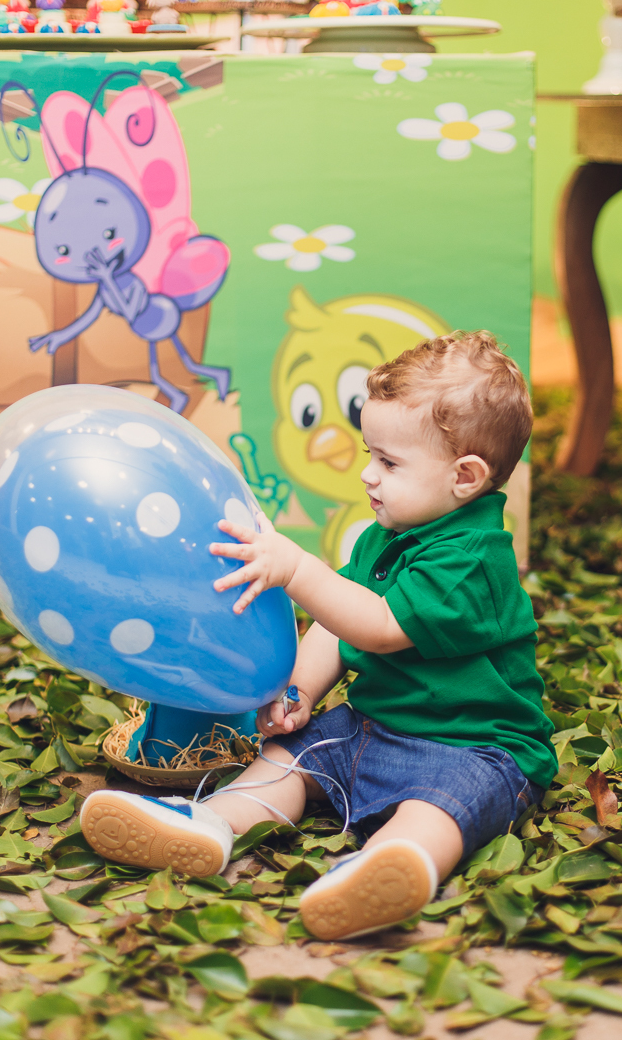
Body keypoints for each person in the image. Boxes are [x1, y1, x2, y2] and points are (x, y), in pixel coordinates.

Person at [81, 332, 557, 941]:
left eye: (389, 463)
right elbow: (336, 623)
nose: (367, 475)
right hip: (373, 729)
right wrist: (301, 690)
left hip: (476, 747)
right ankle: (211, 823)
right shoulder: (387, 536)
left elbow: (380, 627)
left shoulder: (473, 559)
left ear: (465, 477)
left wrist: (300, 570)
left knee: (442, 807)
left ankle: (394, 863)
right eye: (369, 453)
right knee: (288, 758)